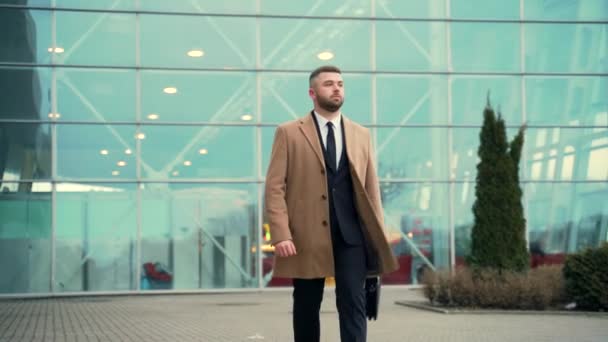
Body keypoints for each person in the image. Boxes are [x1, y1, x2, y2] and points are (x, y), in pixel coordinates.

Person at [264, 65, 399, 342]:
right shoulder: (288, 132)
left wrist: (376, 236)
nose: (336, 88)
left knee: (353, 303)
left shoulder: (361, 134)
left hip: (352, 237)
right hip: (306, 237)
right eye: (328, 84)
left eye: (340, 83)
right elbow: (275, 187)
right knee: (306, 305)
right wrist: (281, 234)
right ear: (312, 93)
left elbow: (371, 189)